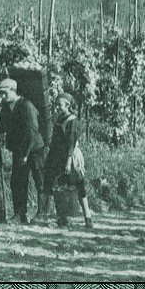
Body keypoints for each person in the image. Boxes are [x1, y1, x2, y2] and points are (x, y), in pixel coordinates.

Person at [0, 78, 46, 224]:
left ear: (12, 90)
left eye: (4, 93)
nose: (2, 97)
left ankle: (42, 214)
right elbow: (2, 128)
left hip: (34, 148)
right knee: (17, 181)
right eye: (0, 94)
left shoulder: (26, 106)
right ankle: (20, 215)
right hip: (18, 149)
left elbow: (32, 132)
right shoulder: (5, 108)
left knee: (40, 181)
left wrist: (25, 154)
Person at [44, 92, 93, 228]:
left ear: (68, 105)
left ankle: (87, 217)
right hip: (57, 156)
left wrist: (68, 161)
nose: (57, 107)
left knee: (79, 184)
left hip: (70, 157)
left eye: (60, 105)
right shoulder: (60, 118)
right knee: (59, 186)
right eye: (56, 105)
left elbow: (71, 141)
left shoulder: (72, 121)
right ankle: (62, 218)